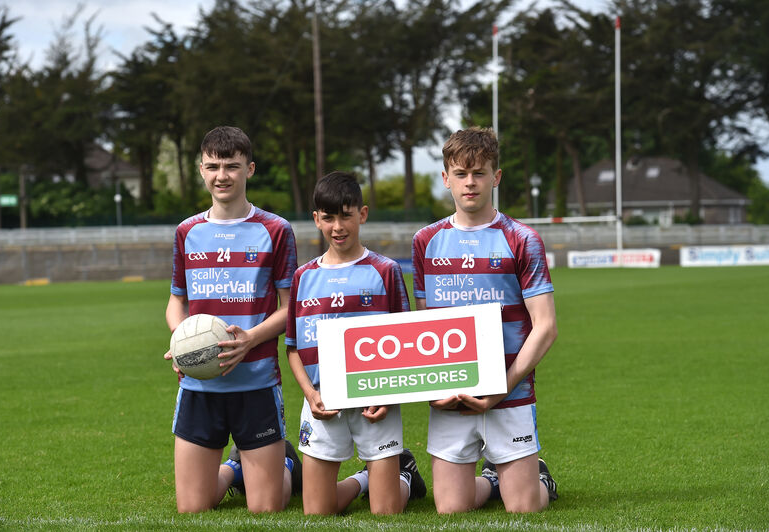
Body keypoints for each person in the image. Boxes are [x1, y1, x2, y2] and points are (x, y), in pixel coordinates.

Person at [411, 127, 559, 514]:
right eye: (460, 174)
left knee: (524, 509)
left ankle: (537, 478)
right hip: (450, 396)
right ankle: (495, 480)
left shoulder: (522, 239)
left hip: (509, 395)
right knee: (451, 510)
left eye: (479, 173)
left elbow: (545, 326)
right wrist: (431, 388)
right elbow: (423, 326)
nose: (470, 183)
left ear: (496, 177)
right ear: (446, 179)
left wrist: (500, 389)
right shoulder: (426, 240)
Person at [163, 126, 300, 513]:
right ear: (201, 170)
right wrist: (183, 340)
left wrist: (250, 339)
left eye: (232, 166)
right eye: (213, 166)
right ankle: (237, 469)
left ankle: (286, 464)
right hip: (200, 386)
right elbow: (176, 302)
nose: (221, 175)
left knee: (267, 508)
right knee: (193, 507)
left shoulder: (275, 230)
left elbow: (291, 307)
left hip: (256, 381)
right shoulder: (187, 231)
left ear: (249, 169)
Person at [285, 171, 426, 515]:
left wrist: (389, 395)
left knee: (385, 512)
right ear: (316, 219)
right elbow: (292, 348)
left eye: (346, 215)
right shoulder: (303, 277)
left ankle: (403, 476)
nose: (338, 226)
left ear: (362, 214)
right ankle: (366, 479)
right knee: (317, 512)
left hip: (375, 403)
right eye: (329, 217)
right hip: (323, 402)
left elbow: (406, 342)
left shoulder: (385, 270)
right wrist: (310, 394)